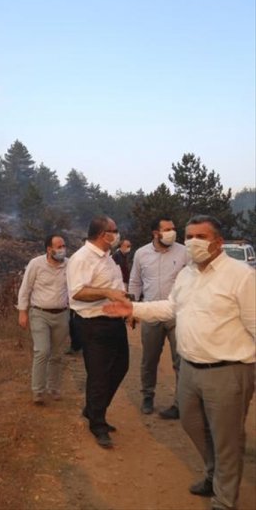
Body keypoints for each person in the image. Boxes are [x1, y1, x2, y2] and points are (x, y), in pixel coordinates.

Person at [104, 215, 255, 510]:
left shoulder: (241, 276)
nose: (194, 241)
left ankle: (224, 499)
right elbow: (172, 307)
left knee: (227, 439)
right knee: (192, 424)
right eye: (191, 235)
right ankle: (214, 474)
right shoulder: (187, 274)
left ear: (218, 242)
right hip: (189, 368)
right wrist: (133, 307)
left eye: (201, 236)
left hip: (228, 371)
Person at [66, 216, 129, 449]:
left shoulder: (107, 258)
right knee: (99, 375)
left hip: (114, 320)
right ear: (104, 234)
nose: (117, 234)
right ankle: (98, 424)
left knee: (121, 367)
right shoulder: (81, 258)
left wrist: (126, 309)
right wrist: (107, 293)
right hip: (93, 324)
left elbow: (116, 289)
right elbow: (77, 292)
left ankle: (93, 409)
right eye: (115, 231)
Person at [128, 216, 187, 419]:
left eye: (173, 228)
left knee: (180, 361)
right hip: (151, 313)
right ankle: (147, 396)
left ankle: (180, 403)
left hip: (177, 314)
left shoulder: (184, 252)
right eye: (168, 229)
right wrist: (133, 309)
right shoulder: (141, 254)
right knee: (149, 360)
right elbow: (135, 282)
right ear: (156, 233)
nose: (173, 232)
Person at [16, 234, 69, 405]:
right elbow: (26, 288)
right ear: (49, 249)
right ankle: (38, 391)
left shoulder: (69, 265)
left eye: (63, 246)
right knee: (42, 351)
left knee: (57, 354)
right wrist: (22, 312)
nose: (62, 249)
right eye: (59, 246)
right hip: (39, 313)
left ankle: (53, 387)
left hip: (62, 314)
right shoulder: (36, 264)